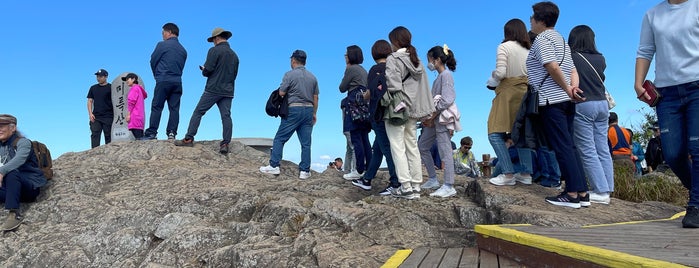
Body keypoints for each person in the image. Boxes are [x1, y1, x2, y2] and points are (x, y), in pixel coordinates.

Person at [636, 0, 699, 228]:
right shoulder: (652, 14)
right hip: (667, 93)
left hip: (696, 86)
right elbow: (645, 50)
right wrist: (638, 83)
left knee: (697, 148)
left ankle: (696, 205)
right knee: (672, 154)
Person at [528, 2, 588, 208]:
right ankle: (582, 191)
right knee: (570, 145)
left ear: (541, 21)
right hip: (566, 100)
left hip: (551, 100)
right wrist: (573, 89)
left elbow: (551, 67)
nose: (530, 21)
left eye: (533, 18)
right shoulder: (561, 40)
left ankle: (571, 194)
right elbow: (572, 70)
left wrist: (566, 89)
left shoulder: (542, 40)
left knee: (562, 146)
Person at [384, 26, 435, 199]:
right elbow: (423, 88)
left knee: (397, 146)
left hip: (398, 109)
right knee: (412, 146)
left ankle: (405, 186)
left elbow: (393, 85)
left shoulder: (393, 58)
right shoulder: (417, 61)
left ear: (395, 41)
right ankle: (416, 186)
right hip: (413, 110)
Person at [174, 28, 239, 154]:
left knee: (198, 112)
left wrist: (204, 69)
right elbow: (234, 75)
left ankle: (189, 138)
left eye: (213, 40)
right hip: (228, 90)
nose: (213, 42)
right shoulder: (234, 55)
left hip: (213, 89)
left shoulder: (214, 51)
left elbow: (208, 70)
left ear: (217, 38)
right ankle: (225, 143)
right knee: (226, 116)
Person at [569, 25, 614, 205]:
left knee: (587, 149)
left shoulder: (572, 57)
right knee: (602, 147)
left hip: (584, 104)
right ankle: (607, 188)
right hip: (602, 104)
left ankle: (600, 191)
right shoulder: (600, 58)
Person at [486, 18, 534, 186]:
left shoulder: (504, 47)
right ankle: (526, 174)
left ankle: (508, 174)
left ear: (507, 32)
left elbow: (501, 72)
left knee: (494, 133)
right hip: (525, 93)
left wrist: (491, 79)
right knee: (520, 134)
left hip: (508, 93)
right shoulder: (529, 50)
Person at [350, 40, 401, 195]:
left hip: (378, 114)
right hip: (393, 112)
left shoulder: (374, 69)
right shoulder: (394, 68)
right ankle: (367, 179)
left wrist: (363, 97)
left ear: (374, 54)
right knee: (378, 149)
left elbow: (371, 92)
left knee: (386, 148)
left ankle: (395, 182)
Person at [260, 50, 319, 180]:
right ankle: (305, 171)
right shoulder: (313, 77)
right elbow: (316, 97)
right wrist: (314, 113)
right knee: (306, 143)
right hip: (308, 110)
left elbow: (281, 92)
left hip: (294, 109)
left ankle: (274, 165)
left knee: (280, 138)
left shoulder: (289, 75)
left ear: (293, 60)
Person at [417, 45, 461, 198]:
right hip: (434, 119)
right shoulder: (440, 77)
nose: (429, 63)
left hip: (441, 119)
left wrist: (432, 116)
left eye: (430, 60)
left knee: (445, 151)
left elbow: (448, 99)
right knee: (422, 146)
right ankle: (433, 179)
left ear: (436, 60)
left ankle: (448, 185)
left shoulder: (446, 75)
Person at [0, 114, 48, 231]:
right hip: (10, 190)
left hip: (28, 187)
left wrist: (2, 172)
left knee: (12, 172)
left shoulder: (23, 143)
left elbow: (19, 159)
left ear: (13, 128)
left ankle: (14, 214)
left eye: (2, 126)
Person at [144, 22, 187, 140]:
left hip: (163, 79)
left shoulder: (162, 45)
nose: (162, 35)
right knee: (174, 108)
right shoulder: (183, 50)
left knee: (157, 106)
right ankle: (172, 132)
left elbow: (153, 61)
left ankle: (152, 132)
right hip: (177, 81)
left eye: (163, 32)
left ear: (169, 32)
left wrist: (157, 76)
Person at [339, 45, 371, 180]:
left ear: (351, 56)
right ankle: (369, 168)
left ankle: (358, 170)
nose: (345, 56)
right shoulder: (364, 71)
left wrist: (346, 70)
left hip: (353, 105)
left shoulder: (351, 69)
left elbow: (342, 88)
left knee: (356, 138)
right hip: (364, 106)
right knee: (365, 139)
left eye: (346, 54)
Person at [86, 68, 113, 148]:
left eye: (100, 76)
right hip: (96, 116)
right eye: (97, 76)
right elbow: (90, 101)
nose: (98, 78)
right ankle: (94, 154)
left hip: (108, 116)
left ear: (106, 76)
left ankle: (109, 154)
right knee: (95, 135)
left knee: (109, 136)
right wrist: (90, 114)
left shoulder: (111, 87)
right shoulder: (93, 88)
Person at [123, 73, 148, 139]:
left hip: (135, 117)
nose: (127, 81)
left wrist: (128, 115)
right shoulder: (139, 89)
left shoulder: (134, 88)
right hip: (140, 118)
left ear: (133, 79)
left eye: (128, 79)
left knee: (139, 139)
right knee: (140, 137)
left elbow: (131, 102)